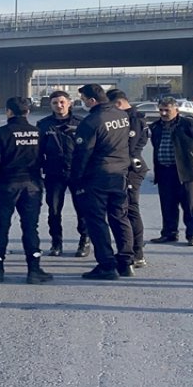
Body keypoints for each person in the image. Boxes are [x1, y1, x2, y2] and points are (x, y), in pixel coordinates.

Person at [0, 97, 52, 284]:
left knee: (1, 228)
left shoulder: (1, 134)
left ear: (9, 112)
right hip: (32, 186)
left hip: (5, 187)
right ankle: (34, 270)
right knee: (30, 228)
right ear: (27, 112)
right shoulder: (39, 133)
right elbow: (47, 160)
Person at [70, 84, 134, 280]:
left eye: (83, 100)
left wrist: (76, 180)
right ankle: (126, 261)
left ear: (92, 101)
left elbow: (83, 154)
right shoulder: (122, 116)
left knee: (97, 221)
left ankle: (106, 264)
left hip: (97, 176)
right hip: (120, 173)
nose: (82, 103)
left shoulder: (91, 121)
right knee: (120, 217)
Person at [148, 96, 193, 246]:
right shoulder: (156, 127)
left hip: (187, 172)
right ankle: (169, 233)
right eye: (161, 110)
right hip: (164, 171)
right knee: (168, 204)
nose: (163, 113)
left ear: (176, 110)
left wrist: (192, 160)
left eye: (167, 110)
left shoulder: (189, 124)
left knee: (190, 205)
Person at [36, 90, 89, 257]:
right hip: (54, 173)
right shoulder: (43, 124)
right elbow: (37, 152)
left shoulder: (82, 124)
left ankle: (84, 241)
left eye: (62, 102)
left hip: (78, 174)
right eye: (55, 103)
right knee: (54, 210)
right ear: (50, 105)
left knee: (82, 209)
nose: (59, 106)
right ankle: (56, 243)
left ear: (69, 103)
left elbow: (89, 148)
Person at [107, 89, 148, 268]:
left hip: (131, 168)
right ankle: (130, 250)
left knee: (130, 210)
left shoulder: (133, 119)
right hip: (123, 168)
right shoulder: (128, 117)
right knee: (123, 210)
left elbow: (128, 148)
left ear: (117, 103)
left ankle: (137, 253)